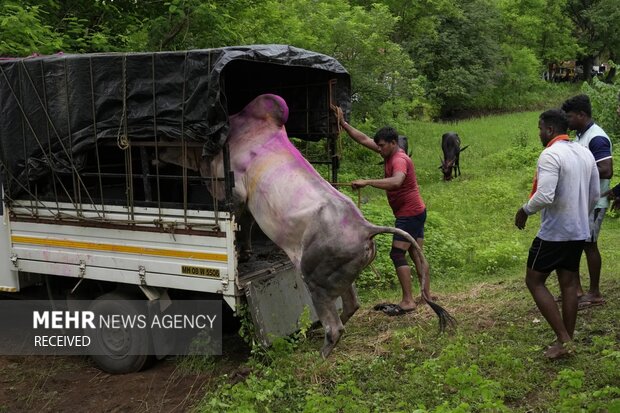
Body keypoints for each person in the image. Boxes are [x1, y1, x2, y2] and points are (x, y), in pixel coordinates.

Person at [515, 109, 599, 359]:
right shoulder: (584, 152)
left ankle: (563, 339)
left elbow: (544, 195)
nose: (539, 133)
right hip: (578, 230)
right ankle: (567, 342)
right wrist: (579, 215)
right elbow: (594, 194)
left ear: (550, 130)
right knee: (569, 283)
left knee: (534, 280)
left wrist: (524, 210)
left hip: (554, 233)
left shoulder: (550, 154)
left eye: (540, 128)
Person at [333, 107, 429, 316]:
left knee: (397, 253)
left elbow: (396, 181)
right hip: (416, 211)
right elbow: (364, 139)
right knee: (415, 252)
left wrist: (367, 181)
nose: (379, 149)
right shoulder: (387, 152)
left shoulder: (398, 159)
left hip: (409, 213)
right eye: (379, 146)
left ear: (393, 143)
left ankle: (408, 301)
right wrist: (343, 124)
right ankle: (426, 296)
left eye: (382, 145)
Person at [561, 95, 613, 309]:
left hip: (595, 201)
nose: (568, 121)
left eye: (570, 117)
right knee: (577, 243)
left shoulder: (596, 138)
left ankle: (595, 292)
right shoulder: (581, 135)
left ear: (582, 115)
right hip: (582, 201)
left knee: (589, 245)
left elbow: (607, 169)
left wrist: (576, 170)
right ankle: (577, 290)